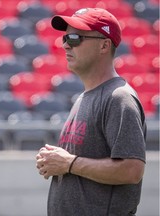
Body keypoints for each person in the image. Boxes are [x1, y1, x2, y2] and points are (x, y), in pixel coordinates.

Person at [36, 8, 146, 216]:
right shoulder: (84, 98)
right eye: (65, 38)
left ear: (104, 45)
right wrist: (55, 160)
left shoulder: (118, 97)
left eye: (76, 38)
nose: (66, 45)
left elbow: (132, 169)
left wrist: (69, 163)